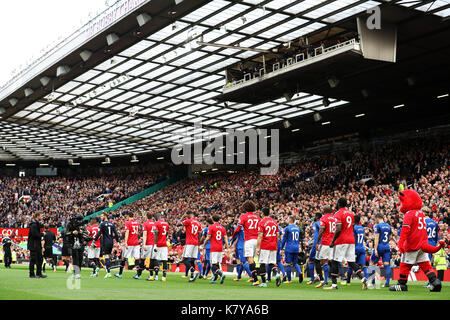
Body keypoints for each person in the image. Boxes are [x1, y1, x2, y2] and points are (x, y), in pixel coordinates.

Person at [389, 190, 443, 292]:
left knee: (405, 264)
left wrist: (401, 244)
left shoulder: (409, 214)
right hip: (422, 244)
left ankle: (401, 284)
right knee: (425, 264)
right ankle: (435, 282)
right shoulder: (421, 213)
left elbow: (405, 230)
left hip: (413, 244)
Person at [326, 198, 368, 290]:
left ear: (339, 203)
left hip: (342, 240)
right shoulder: (351, 213)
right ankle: (363, 278)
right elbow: (351, 227)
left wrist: (333, 241)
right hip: (351, 240)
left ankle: (334, 285)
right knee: (351, 262)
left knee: (334, 261)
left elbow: (339, 228)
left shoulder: (338, 214)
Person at [231, 200, 261, 284]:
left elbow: (237, 229)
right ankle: (260, 278)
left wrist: (232, 237)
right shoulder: (258, 217)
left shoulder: (243, 216)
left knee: (249, 260)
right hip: (257, 240)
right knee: (254, 260)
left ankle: (255, 279)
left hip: (249, 240)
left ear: (245, 208)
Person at [255, 207, 281, 288]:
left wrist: (257, 248)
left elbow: (260, 236)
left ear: (262, 213)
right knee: (271, 263)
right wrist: (276, 244)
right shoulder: (275, 222)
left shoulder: (262, 222)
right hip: (273, 245)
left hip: (265, 245)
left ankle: (263, 282)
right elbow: (277, 235)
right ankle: (276, 273)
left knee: (262, 263)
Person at [368, 213, 392, 288]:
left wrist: (375, 249)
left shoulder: (377, 226)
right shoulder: (388, 226)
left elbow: (377, 238)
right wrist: (386, 243)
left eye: (375, 219)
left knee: (372, 263)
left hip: (379, 246)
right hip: (386, 246)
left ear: (378, 218)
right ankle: (387, 282)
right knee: (387, 264)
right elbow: (390, 237)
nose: (375, 221)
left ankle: (373, 282)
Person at [203, 215, 228, 284]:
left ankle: (221, 274)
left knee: (213, 264)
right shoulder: (222, 228)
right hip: (220, 247)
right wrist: (227, 246)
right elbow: (226, 238)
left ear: (213, 220)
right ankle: (215, 279)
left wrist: (204, 245)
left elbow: (208, 238)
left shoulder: (211, 227)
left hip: (214, 248)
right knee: (217, 264)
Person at [93, 213, 119, 278]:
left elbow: (99, 233)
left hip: (105, 242)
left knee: (106, 256)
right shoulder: (112, 224)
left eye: (101, 216)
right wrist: (118, 241)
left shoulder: (102, 224)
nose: (100, 217)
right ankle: (107, 271)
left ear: (105, 216)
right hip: (111, 242)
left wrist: (94, 240)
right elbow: (116, 234)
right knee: (107, 256)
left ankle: (108, 272)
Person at [115, 211, 140, 279]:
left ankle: (120, 274)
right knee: (137, 258)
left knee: (124, 258)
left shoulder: (128, 223)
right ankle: (138, 275)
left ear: (128, 216)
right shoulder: (137, 223)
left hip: (130, 242)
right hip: (136, 242)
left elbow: (127, 232)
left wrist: (125, 242)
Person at [315, 205, 335, 288]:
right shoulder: (334, 218)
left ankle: (323, 280)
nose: (321, 210)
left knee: (319, 260)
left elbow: (321, 230)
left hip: (325, 242)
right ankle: (331, 281)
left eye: (323, 209)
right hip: (333, 243)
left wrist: (317, 242)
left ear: (325, 210)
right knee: (330, 261)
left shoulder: (323, 218)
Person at [179, 211, 202, 282]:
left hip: (189, 242)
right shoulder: (198, 223)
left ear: (188, 215)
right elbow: (199, 234)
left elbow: (178, 224)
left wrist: (183, 216)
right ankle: (192, 277)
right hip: (195, 243)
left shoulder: (188, 221)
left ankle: (193, 271)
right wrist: (198, 243)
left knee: (184, 259)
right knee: (192, 260)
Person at [346, 215, 368, 284]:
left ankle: (348, 281)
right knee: (363, 265)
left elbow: (353, 238)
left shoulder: (354, 228)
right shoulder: (362, 228)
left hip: (355, 248)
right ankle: (367, 279)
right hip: (362, 247)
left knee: (351, 265)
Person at [135, 212, 157, 281]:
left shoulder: (145, 224)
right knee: (153, 260)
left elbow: (145, 234)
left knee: (142, 259)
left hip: (148, 244)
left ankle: (139, 275)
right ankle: (155, 276)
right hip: (154, 244)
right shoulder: (154, 224)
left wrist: (144, 244)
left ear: (146, 217)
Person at [281, 216, 303, 284]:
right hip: (296, 247)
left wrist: (281, 248)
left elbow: (284, 239)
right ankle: (300, 272)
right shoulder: (298, 228)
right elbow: (299, 239)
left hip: (289, 248)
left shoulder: (287, 228)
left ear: (290, 220)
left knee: (288, 263)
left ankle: (289, 280)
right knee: (295, 263)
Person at [307, 212, 325, 285]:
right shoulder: (323, 223)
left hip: (317, 244)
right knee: (324, 261)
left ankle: (313, 278)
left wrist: (315, 244)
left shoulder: (316, 224)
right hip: (325, 243)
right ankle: (324, 279)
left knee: (310, 260)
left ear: (317, 217)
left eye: (314, 216)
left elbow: (316, 235)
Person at [151, 212, 170, 282]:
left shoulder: (156, 223)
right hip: (164, 244)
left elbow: (156, 233)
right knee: (164, 260)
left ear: (156, 217)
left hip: (158, 244)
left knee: (155, 259)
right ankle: (164, 277)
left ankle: (156, 275)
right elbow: (167, 233)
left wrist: (155, 244)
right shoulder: (166, 223)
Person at [27, 212, 46, 278]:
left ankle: (39, 273)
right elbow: (34, 234)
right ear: (37, 216)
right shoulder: (34, 224)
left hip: (37, 245)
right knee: (33, 259)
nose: (43, 216)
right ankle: (31, 274)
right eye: (41, 215)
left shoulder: (37, 224)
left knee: (40, 259)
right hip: (33, 245)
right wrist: (42, 234)